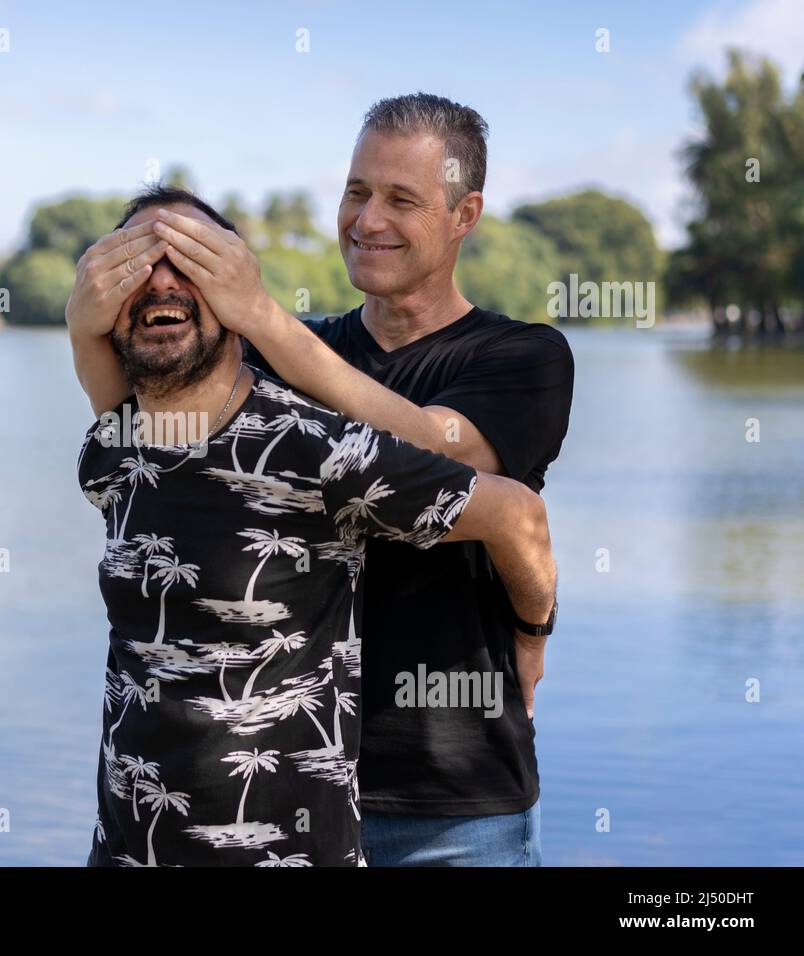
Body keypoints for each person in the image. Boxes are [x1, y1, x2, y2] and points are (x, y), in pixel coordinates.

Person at [68, 95, 574, 866]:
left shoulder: (521, 357)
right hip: (295, 794)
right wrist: (86, 323)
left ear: (465, 213)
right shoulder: (277, 366)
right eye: (356, 191)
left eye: (402, 199)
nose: (367, 219)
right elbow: (143, 441)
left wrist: (532, 633)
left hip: (453, 803)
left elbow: (453, 461)